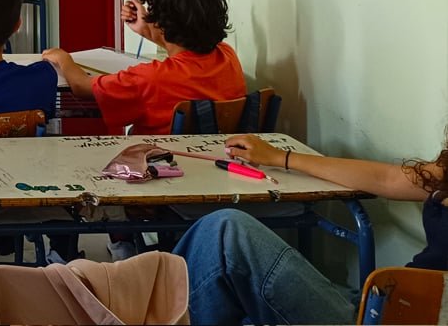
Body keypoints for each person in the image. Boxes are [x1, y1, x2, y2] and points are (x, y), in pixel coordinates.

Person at [174, 131, 448, 324]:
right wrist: (280, 157)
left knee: (226, 235)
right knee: (225, 264)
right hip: (385, 305)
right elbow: (387, 178)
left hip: (402, 316)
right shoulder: (443, 172)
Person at [43, 0, 246, 135]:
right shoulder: (227, 56)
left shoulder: (150, 79)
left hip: (154, 160)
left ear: (162, 24)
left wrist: (63, 58)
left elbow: (82, 86)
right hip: (210, 157)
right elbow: (184, 54)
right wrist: (147, 30)